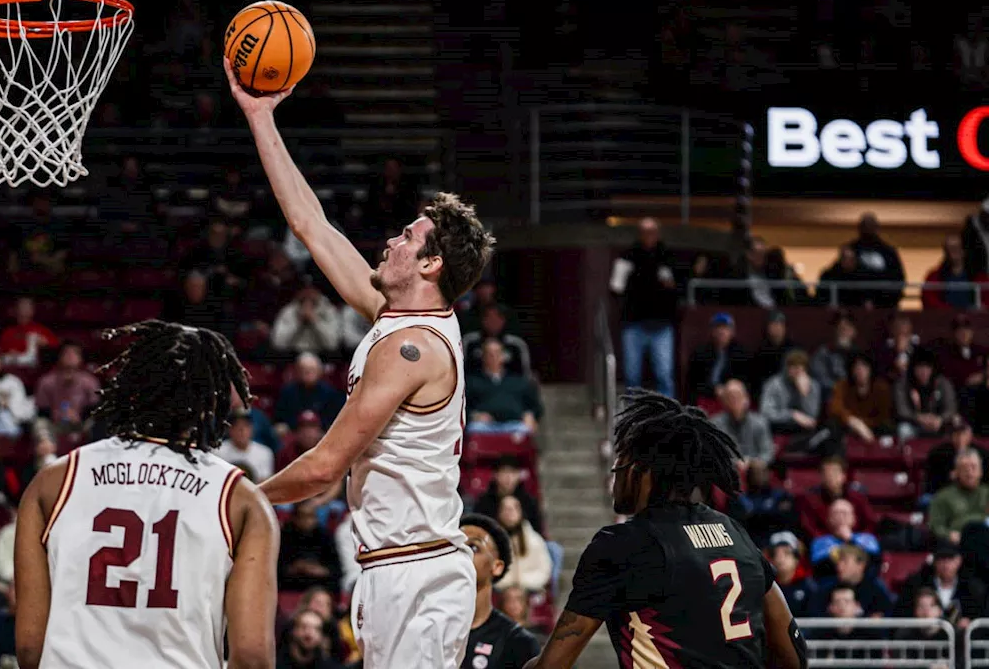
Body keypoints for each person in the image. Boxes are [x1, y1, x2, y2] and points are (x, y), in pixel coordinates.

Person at [226, 57, 496, 669]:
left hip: (416, 570)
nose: (390, 241)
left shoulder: (411, 350)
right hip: (397, 567)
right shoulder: (393, 314)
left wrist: (237, 502)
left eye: (406, 238)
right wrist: (260, 116)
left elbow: (323, 468)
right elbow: (310, 224)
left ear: (430, 266)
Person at [13, 320, 279, 669]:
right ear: (210, 402)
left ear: (132, 388)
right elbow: (253, 657)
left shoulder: (53, 482)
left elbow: (31, 648)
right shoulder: (240, 498)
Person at [525, 391, 807, 669]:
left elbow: (553, 664)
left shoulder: (622, 544)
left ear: (644, 470)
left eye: (620, 460)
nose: (614, 470)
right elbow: (794, 656)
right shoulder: (733, 531)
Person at [460, 514, 540, 669]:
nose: (462, 554)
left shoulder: (518, 642)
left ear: (497, 567)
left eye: (474, 547)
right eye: (455, 547)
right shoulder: (426, 629)